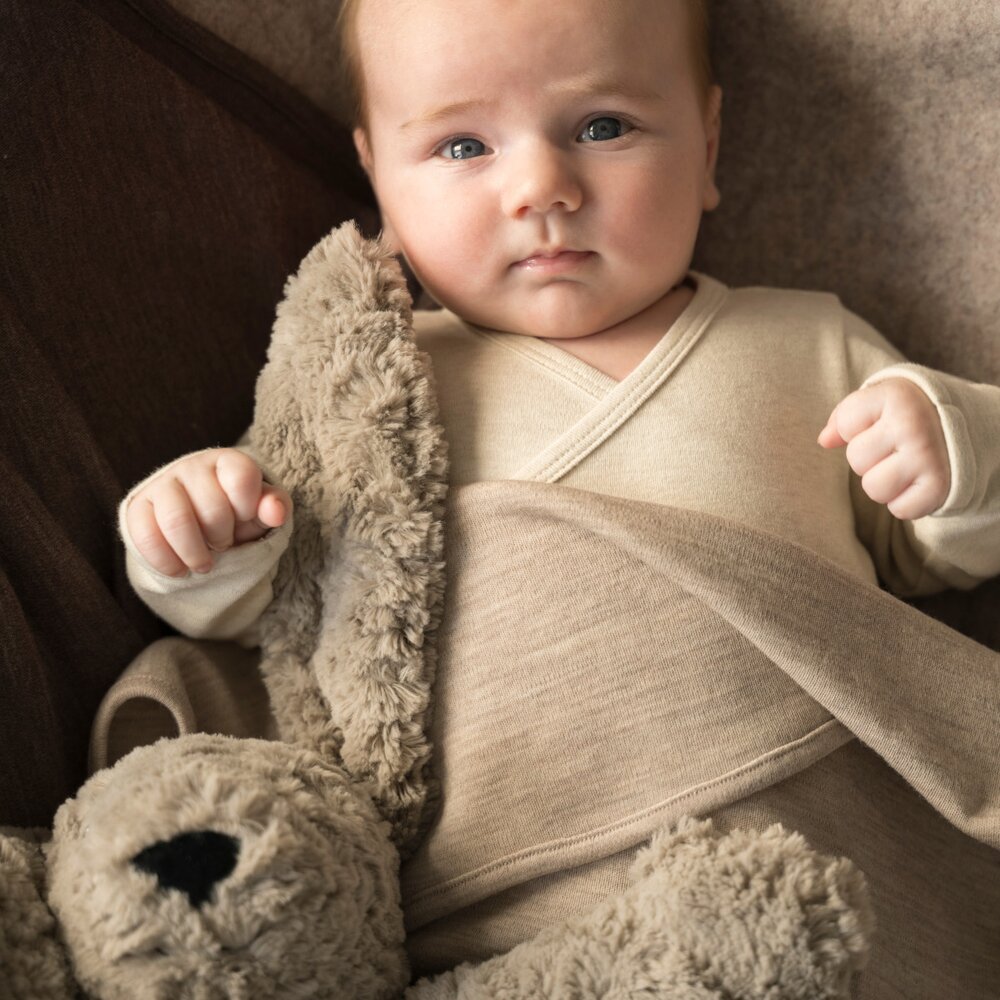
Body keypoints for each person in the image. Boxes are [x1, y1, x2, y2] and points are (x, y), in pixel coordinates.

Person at [115, 0, 1000, 978]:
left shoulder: (806, 341)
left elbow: (938, 553)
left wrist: (955, 446)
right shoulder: (368, 383)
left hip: (803, 851)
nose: (541, 187)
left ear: (705, 147)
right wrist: (199, 533)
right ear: (378, 178)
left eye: (602, 127)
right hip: (506, 896)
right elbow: (275, 614)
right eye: (461, 145)